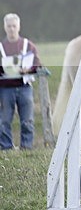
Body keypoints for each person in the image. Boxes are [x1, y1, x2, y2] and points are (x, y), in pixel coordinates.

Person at [0, 13, 42, 150]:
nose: (11, 29)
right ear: (5, 27)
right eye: (9, 26)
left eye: (14, 26)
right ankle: (6, 147)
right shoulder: (1, 47)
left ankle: (26, 146)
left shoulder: (27, 45)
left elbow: (37, 64)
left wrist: (29, 69)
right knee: (4, 120)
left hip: (24, 87)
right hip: (5, 88)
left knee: (27, 120)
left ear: (19, 27)